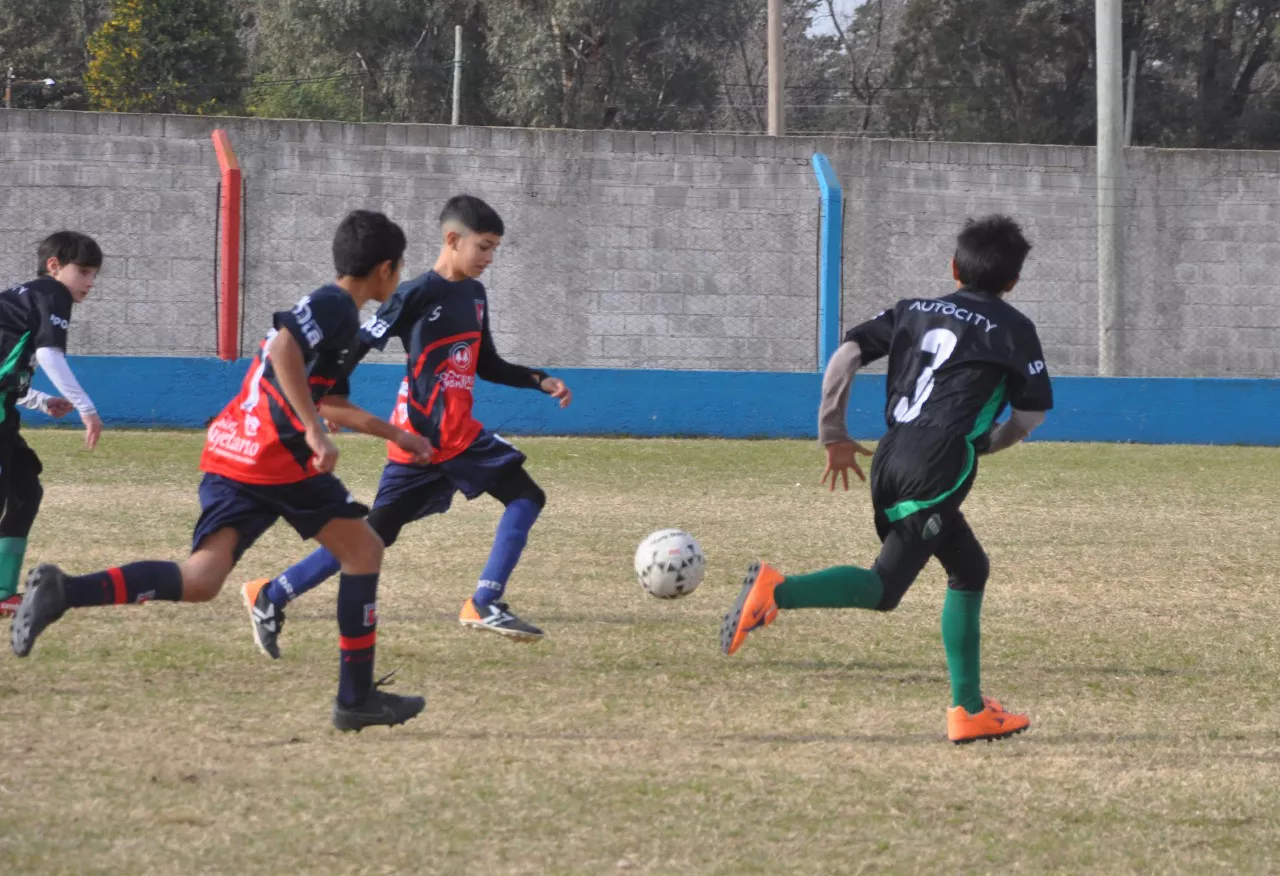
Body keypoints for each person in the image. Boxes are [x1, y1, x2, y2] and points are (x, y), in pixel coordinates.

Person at [11, 210, 433, 732]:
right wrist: (311, 430)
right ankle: (355, 699)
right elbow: (284, 351)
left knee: (201, 579)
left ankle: (64, 591)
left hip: (234, 449)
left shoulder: (336, 315)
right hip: (274, 455)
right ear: (387, 268)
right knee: (363, 550)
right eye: (399, 267)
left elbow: (328, 400)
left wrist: (396, 435)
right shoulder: (334, 305)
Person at [720, 215, 1054, 745]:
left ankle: (969, 709)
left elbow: (847, 355)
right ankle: (777, 591)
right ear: (1013, 281)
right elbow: (1030, 415)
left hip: (892, 451)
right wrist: (988, 443)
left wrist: (833, 431)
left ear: (954, 268)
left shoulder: (912, 309)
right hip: (939, 462)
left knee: (970, 568)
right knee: (884, 588)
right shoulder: (1015, 329)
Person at [241, 194, 572, 659]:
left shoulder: (475, 296)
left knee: (373, 534)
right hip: (436, 432)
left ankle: (272, 593)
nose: (490, 258)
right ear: (452, 239)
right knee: (526, 496)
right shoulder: (414, 294)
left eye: (495, 248)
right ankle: (484, 602)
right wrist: (324, 398)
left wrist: (538, 380)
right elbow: (356, 345)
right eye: (484, 247)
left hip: (431, 439)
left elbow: (487, 364)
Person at [0, 231, 101, 615]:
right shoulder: (52, 292)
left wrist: (40, 401)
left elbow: (9, 369)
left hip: (5, 413)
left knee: (25, 490)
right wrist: (86, 408)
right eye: (84, 272)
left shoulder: (24, 301)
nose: (90, 282)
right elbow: (49, 355)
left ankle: (2, 592)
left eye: (95, 275)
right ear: (54, 266)